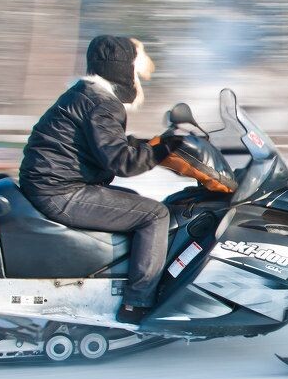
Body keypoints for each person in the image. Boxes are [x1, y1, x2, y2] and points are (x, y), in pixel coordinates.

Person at [18, 35, 180, 324]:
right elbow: (121, 161)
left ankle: (115, 278)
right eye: (133, 68)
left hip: (48, 184)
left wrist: (150, 144)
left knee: (134, 199)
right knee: (155, 215)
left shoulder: (85, 93)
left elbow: (104, 143)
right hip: (60, 192)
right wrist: (163, 149)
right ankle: (138, 303)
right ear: (122, 69)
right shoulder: (102, 103)